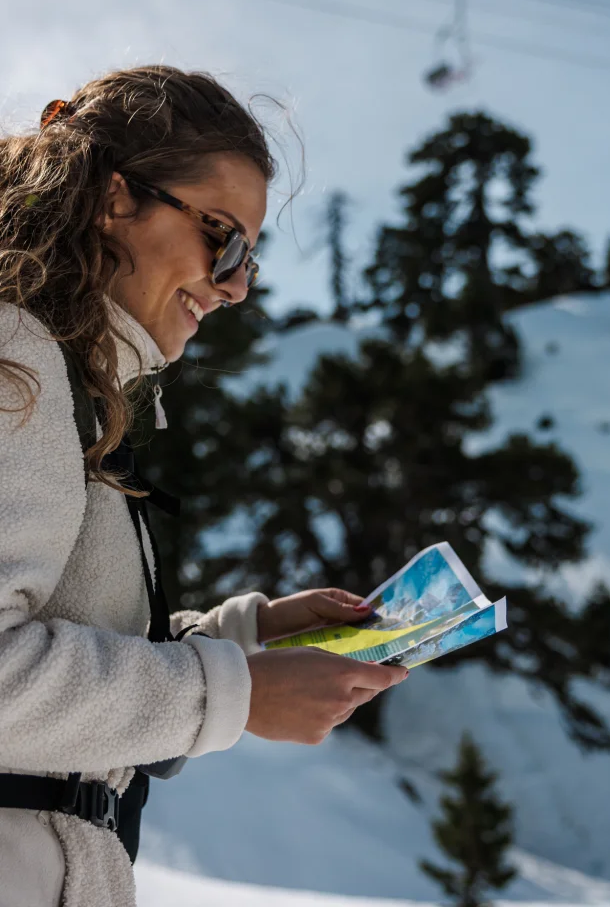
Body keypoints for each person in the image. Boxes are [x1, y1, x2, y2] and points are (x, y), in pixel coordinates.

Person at [0, 65, 408, 907]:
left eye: (248, 257)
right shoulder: (17, 365)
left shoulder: (76, 386)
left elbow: (57, 630)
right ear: (119, 198)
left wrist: (242, 640)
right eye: (221, 237)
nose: (235, 286)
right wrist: (232, 693)